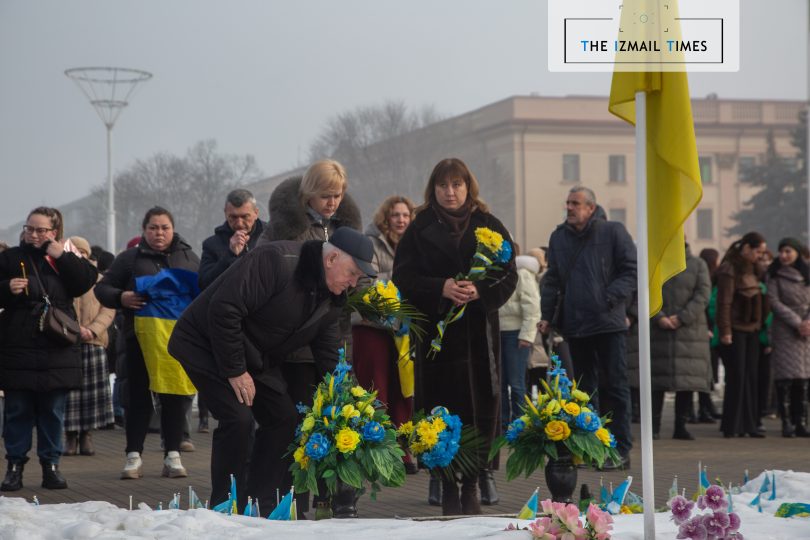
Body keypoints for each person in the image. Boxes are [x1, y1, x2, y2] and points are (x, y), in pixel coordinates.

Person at [167, 227, 376, 513]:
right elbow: (225, 308)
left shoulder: (330, 299)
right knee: (238, 418)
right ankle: (225, 506)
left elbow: (330, 357)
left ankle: (262, 503)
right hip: (204, 342)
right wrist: (235, 370)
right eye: (352, 273)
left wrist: (357, 405)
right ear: (331, 259)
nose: (353, 283)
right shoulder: (276, 261)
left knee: (284, 418)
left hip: (252, 355)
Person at [393, 157, 517, 516]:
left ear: (468, 186)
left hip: (478, 335)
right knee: (440, 409)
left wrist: (480, 290)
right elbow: (404, 277)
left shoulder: (488, 223)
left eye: (457, 184)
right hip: (437, 339)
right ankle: (446, 483)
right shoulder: (419, 228)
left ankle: (473, 483)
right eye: (443, 185)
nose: (450, 192)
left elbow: (508, 274)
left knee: (481, 406)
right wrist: (441, 287)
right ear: (433, 189)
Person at [95, 207, 200, 479]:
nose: (159, 233)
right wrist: (121, 297)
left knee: (174, 397)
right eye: (153, 228)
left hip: (176, 341)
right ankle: (133, 455)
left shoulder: (189, 258)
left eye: (165, 227)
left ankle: (173, 454)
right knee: (138, 398)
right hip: (137, 340)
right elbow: (102, 288)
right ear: (144, 230)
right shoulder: (130, 259)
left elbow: (203, 292)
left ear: (173, 229)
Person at [538, 186, 636, 469]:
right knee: (583, 392)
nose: (569, 207)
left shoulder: (613, 232)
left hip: (608, 324)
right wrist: (548, 316)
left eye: (576, 203)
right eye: (568, 203)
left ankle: (619, 450)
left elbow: (631, 270)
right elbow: (553, 280)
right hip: (576, 324)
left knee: (615, 387)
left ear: (591, 208)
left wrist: (609, 298)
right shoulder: (559, 237)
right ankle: (588, 448)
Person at [0, 207, 98, 491]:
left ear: (53, 232)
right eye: (29, 228)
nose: (33, 234)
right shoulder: (10, 258)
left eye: (40, 230)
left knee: (53, 411)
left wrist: (62, 256)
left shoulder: (64, 255)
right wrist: (6, 288)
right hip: (18, 345)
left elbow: (85, 281)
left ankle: (51, 466)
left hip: (57, 345)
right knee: (17, 410)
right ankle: (14, 467)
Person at [351, 195, 417, 473]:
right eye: (396, 215)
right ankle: (376, 449)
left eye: (406, 215)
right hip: (373, 326)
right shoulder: (371, 243)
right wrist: (393, 300)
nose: (401, 220)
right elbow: (365, 282)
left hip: (403, 328)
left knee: (404, 388)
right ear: (385, 218)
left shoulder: (415, 243)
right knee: (375, 388)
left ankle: (403, 448)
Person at [198, 189, 266, 433]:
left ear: (256, 213)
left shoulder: (271, 237)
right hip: (230, 330)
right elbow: (205, 283)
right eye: (232, 217)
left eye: (245, 217)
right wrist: (230, 255)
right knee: (237, 408)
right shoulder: (213, 244)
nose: (239, 223)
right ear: (225, 214)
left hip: (265, 328)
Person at [643, 242, 711, 440]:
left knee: (686, 380)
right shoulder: (654, 264)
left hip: (689, 332)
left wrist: (682, 317)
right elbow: (645, 291)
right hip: (660, 330)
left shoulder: (697, 264)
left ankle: (681, 426)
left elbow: (703, 294)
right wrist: (659, 316)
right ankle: (653, 427)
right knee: (656, 381)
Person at [63, 236, 115, 456]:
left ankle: (87, 435)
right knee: (70, 394)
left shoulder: (100, 280)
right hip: (66, 343)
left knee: (91, 394)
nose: (79, 256)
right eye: (75, 252)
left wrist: (92, 330)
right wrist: (72, 330)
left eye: (82, 252)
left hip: (94, 341)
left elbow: (108, 309)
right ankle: (70, 437)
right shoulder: (61, 277)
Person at [716, 232, 769, 438]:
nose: (760, 256)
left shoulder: (754, 268)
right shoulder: (729, 268)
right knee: (737, 377)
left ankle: (750, 424)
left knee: (751, 377)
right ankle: (733, 425)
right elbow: (724, 302)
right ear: (746, 248)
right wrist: (725, 330)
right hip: (735, 330)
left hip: (752, 329)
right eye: (758, 251)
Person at [766, 237, 810, 438]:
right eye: (781, 251)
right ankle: (787, 423)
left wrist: (807, 322)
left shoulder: (806, 273)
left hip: (805, 333)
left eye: (788, 251)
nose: (784, 256)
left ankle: (801, 422)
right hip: (785, 331)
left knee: (802, 379)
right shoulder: (775, 274)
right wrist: (797, 322)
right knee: (785, 379)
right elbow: (774, 302)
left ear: (797, 253)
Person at [498, 246, 541, 428]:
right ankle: (501, 426)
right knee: (499, 385)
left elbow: (532, 307)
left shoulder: (522, 274)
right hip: (496, 333)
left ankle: (520, 426)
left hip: (516, 334)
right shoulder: (492, 274)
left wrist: (527, 335)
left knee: (516, 384)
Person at [697, 248, 722, 423]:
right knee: (705, 373)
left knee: (706, 373)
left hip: (706, 330)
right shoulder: (710, 278)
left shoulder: (709, 276)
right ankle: (704, 408)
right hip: (706, 331)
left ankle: (706, 407)